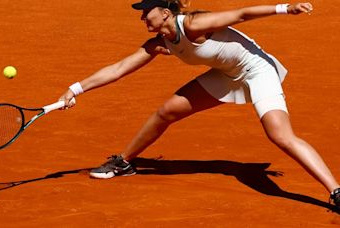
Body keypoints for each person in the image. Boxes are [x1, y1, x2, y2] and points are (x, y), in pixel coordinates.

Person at [59, 0, 340, 208]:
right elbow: (118, 68)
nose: (143, 16)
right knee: (166, 112)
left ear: (165, 13)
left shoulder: (194, 24)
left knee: (280, 135)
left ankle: (336, 191)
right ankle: (124, 162)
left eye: (147, 11)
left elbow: (241, 14)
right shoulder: (161, 43)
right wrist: (74, 89)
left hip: (257, 70)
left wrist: (284, 8)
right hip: (225, 75)